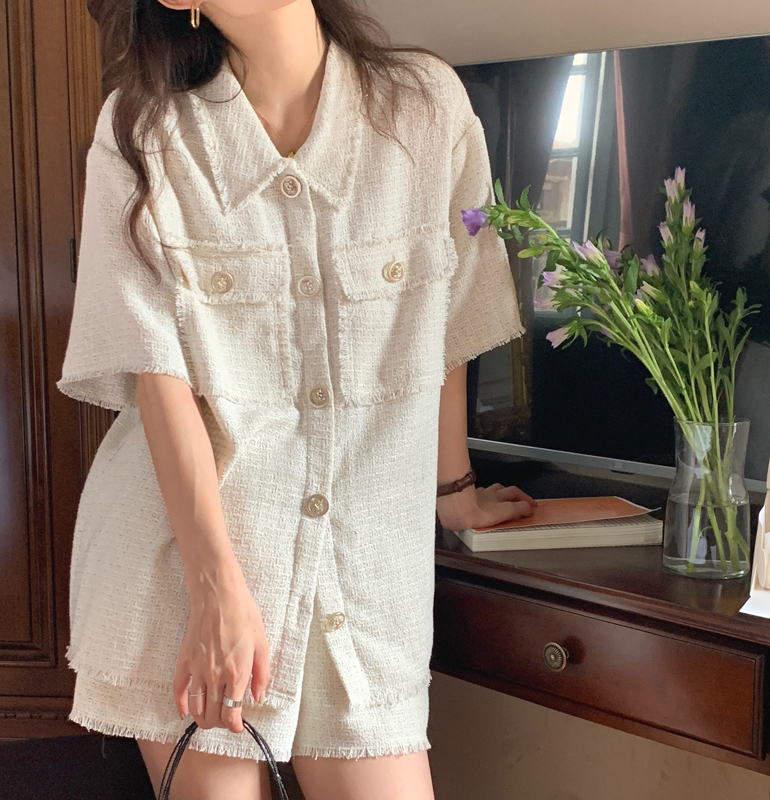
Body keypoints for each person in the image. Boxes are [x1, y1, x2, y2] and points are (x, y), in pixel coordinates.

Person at [57, 1, 535, 798]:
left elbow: (449, 322)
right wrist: (215, 588)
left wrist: (454, 490)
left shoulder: (425, 108)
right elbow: (157, 376)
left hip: (367, 584)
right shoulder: (143, 134)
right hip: (188, 569)